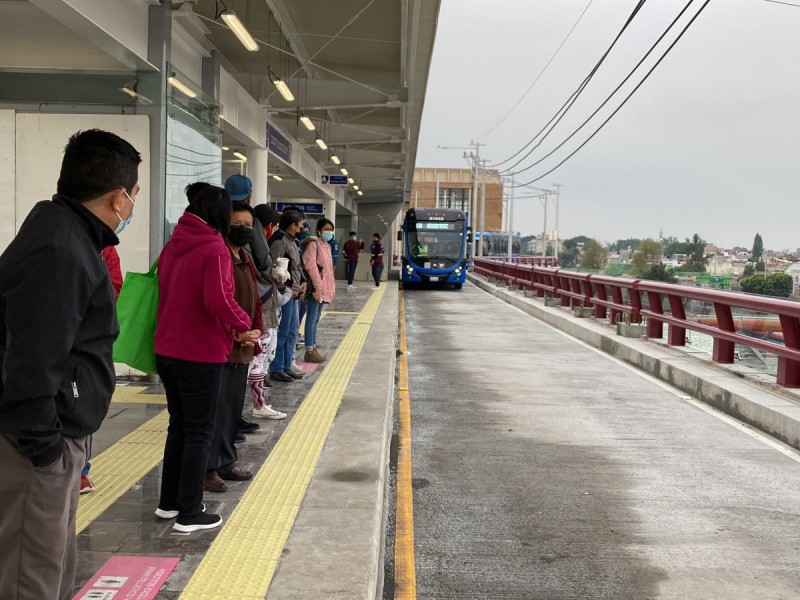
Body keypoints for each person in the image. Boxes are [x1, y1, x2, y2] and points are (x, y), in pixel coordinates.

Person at [0, 129, 140, 600]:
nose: (132, 205)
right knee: (30, 575)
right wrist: (44, 447)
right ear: (119, 197)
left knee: (52, 564)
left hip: (58, 433)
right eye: (134, 195)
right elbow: (33, 356)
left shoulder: (68, 235)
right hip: (38, 442)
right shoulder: (60, 249)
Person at [154, 184, 259, 533]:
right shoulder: (214, 247)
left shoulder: (174, 243)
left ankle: (169, 503)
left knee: (179, 427)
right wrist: (244, 326)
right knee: (200, 431)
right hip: (199, 352)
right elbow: (219, 298)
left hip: (168, 350)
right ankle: (190, 512)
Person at [205, 202, 263, 493]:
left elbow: (254, 297)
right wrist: (238, 330)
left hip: (244, 343)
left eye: (249, 225)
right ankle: (209, 467)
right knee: (216, 411)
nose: (243, 229)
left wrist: (257, 329)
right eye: (237, 223)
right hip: (226, 344)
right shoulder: (221, 256)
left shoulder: (245, 258)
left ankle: (226, 461)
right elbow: (219, 301)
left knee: (231, 410)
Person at [80, 245, 124, 495]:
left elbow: (113, 288)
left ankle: (80, 470)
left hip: (89, 339)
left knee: (84, 402)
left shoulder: (104, 247)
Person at [249, 204, 289, 419]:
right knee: (259, 357)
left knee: (262, 357)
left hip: (264, 308)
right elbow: (264, 269)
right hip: (261, 309)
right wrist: (277, 275)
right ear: (269, 226)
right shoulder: (258, 245)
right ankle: (258, 405)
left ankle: (258, 403)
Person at [268, 209, 307, 383]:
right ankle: (276, 368)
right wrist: (287, 289)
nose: (301, 228)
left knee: (292, 331)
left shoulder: (292, 241)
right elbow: (275, 269)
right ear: (292, 226)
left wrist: (303, 281)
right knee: (283, 332)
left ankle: (285, 365)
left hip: (295, 293)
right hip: (286, 294)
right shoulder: (279, 241)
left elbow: (296, 266)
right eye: (300, 225)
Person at [301, 218, 336, 363]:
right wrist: (318, 287)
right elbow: (311, 267)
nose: (329, 232)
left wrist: (329, 289)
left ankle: (313, 347)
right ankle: (309, 350)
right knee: (311, 319)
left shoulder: (326, 246)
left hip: (323, 289)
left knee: (315, 319)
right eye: (326, 229)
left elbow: (328, 271)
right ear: (319, 230)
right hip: (316, 288)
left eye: (331, 230)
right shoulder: (313, 245)